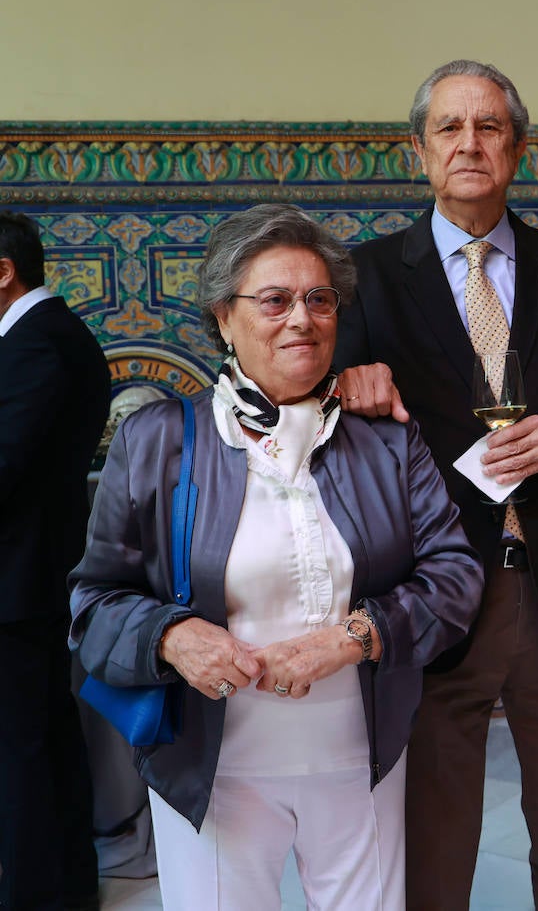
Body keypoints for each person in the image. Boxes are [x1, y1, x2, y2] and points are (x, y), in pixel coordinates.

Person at [69, 204, 483, 909]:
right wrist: (171, 636)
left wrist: (358, 635)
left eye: (319, 300)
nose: (302, 318)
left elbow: (455, 575)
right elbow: (94, 603)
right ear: (225, 318)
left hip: (361, 760)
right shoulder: (160, 442)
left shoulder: (385, 443)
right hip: (212, 769)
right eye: (275, 300)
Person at [333, 60, 538, 908]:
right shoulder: (360, 280)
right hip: (433, 593)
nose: (470, 144)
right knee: (434, 849)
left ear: (517, 148)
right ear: (419, 151)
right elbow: (295, 403)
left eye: (489, 128)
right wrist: (342, 386)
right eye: (450, 128)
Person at [0, 211, 108, 911]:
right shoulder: (49, 337)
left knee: (21, 749)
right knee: (41, 737)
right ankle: (65, 888)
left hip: (16, 579)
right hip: (29, 575)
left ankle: (38, 896)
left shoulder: (38, 344)